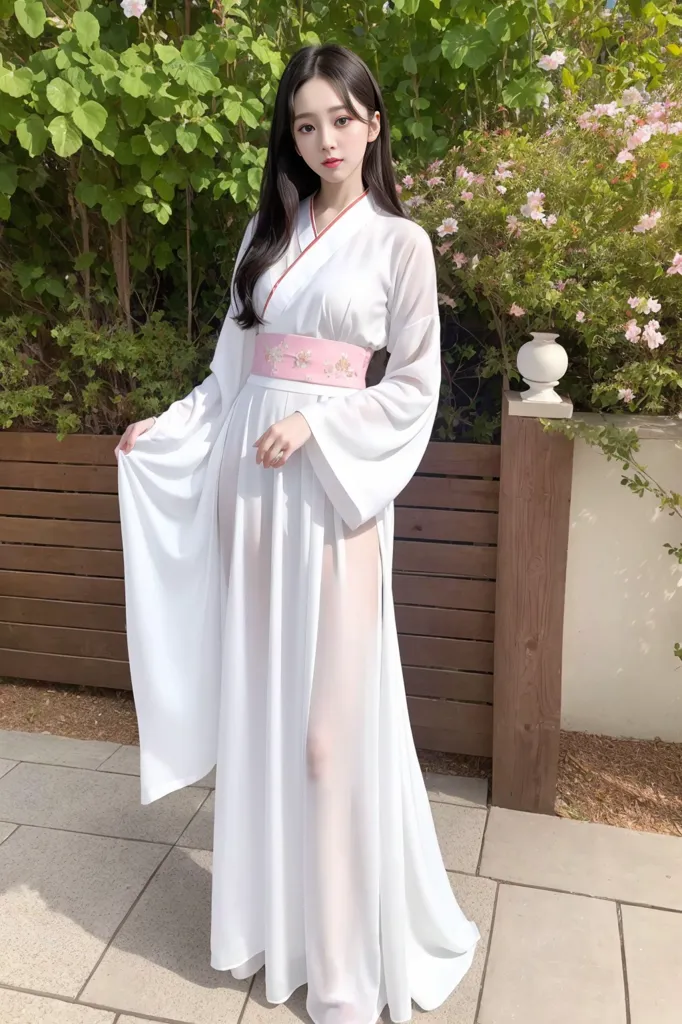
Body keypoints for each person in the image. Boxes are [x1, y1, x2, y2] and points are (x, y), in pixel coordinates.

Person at [115, 41, 479, 1024]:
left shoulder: (399, 244)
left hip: (334, 498)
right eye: (306, 122)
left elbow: (413, 385)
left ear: (372, 124)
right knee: (265, 720)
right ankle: (277, 931)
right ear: (294, 131)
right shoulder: (262, 239)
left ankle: (352, 966)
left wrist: (317, 420)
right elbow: (229, 379)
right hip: (250, 493)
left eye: (341, 119)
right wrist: (171, 426)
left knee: (328, 736)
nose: (324, 138)